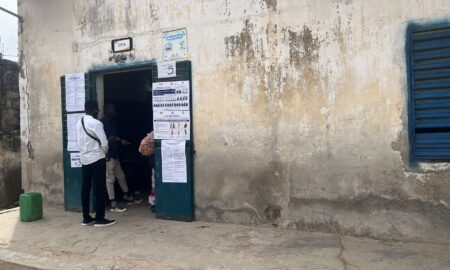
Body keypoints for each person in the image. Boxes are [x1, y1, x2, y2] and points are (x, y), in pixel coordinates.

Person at [76, 100, 116, 227]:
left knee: (85, 187)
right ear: (94, 109)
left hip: (84, 159)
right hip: (97, 158)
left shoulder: (79, 122)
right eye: (97, 109)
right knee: (99, 187)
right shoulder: (96, 123)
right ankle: (99, 218)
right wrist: (106, 153)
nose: (98, 111)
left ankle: (86, 217)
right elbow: (104, 143)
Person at [101, 102, 142, 212]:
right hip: (108, 154)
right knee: (110, 179)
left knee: (121, 176)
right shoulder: (101, 123)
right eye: (112, 109)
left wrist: (120, 140)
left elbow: (114, 136)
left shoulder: (113, 123)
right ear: (107, 110)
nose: (115, 112)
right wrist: (108, 145)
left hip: (115, 153)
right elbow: (103, 140)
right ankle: (113, 204)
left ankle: (127, 196)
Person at [139, 131, 156, 212]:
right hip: (157, 162)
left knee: (155, 182)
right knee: (155, 182)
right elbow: (143, 147)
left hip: (158, 162)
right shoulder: (156, 132)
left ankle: (154, 203)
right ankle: (154, 203)